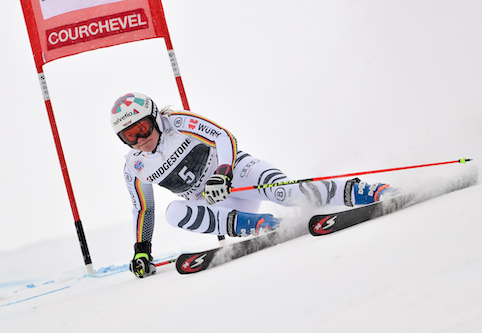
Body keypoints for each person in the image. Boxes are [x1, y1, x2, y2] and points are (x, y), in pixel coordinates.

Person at [110, 92, 395, 278]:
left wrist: (223, 172)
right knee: (174, 213)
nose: (140, 140)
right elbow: (143, 209)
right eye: (129, 136)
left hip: (237, 175)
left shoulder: (179, 123)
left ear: (155, 117)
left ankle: (366, 191)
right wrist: (142, 250)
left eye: (143, 129)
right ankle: (263, 225)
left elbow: (224, 137)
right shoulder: (134, 166)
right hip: (216, 202)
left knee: (286, 193)